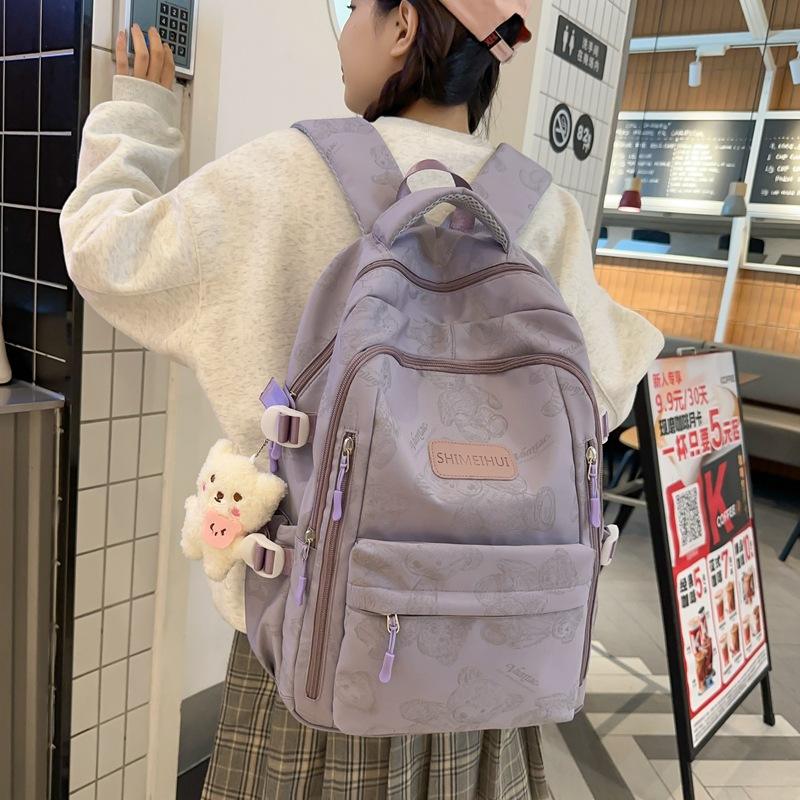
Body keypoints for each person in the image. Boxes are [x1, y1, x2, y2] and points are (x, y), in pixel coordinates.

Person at [62, 1, 664, 797]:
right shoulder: (543, 210)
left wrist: (140, 113)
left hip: (319, 653)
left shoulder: (285, 172)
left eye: (354, 12)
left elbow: (106, 250)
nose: (345, 35)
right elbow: (610, 381)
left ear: (403, 25)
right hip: (491, 660)